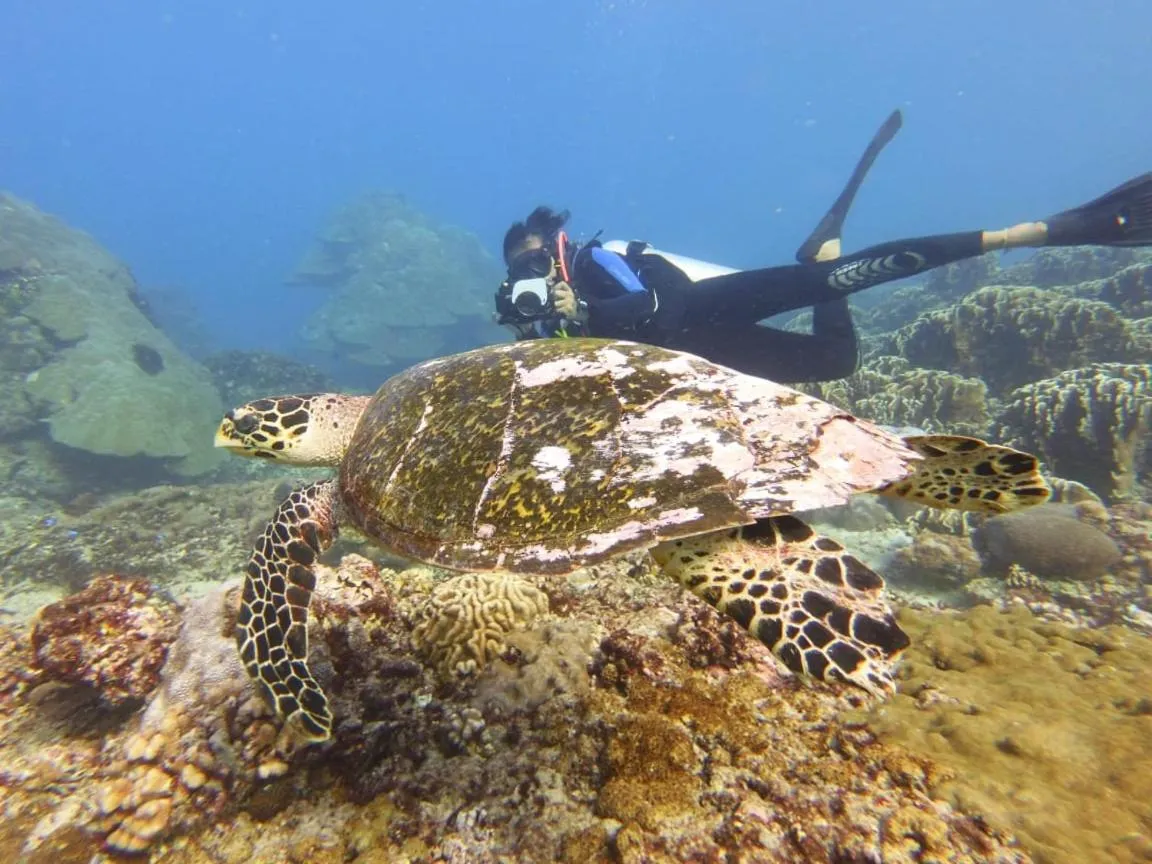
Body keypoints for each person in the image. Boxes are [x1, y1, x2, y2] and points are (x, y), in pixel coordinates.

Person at [494, 109, 1152, 382]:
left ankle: (1030, 232)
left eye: (534, 255)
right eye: (519, 265)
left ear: (557, 246)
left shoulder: (592, 263)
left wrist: (582, 309)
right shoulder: (540, 317)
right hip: (703, 355)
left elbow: (649, 311)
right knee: (838, 361)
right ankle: (824, 249)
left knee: (835, 282)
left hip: (701, 307)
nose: (530, 269)